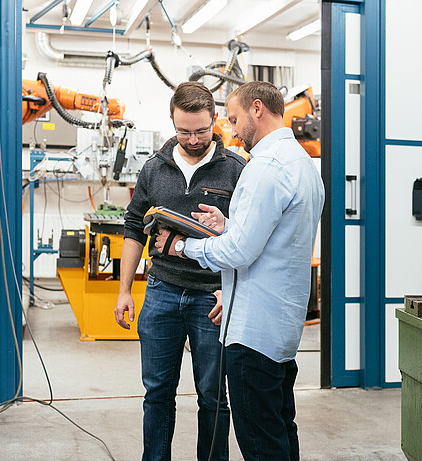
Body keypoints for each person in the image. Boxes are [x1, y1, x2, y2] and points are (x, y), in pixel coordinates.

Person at [154, 81, 324, 461]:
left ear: (257, 109)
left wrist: (182, 246)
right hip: (280, 329)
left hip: (253, 331)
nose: (231, 128)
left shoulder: (265, 167)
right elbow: (272, 236)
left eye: (233, 118)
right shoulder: (301, 163)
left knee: (260, 442)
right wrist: (227, 224)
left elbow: (240, 251)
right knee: (280, 430)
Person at [115, 81, 246, 461]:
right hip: (162, 291)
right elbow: (133, 229)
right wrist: (125, 291)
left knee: (213, 397)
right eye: (183, 131)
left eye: (201, 131)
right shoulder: (154, 169)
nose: (192, 139)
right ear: (172, 121)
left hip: (212, 296)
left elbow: (247, 239)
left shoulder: (236, 170)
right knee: (157, 393)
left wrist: (229, 288)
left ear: (215, 120)